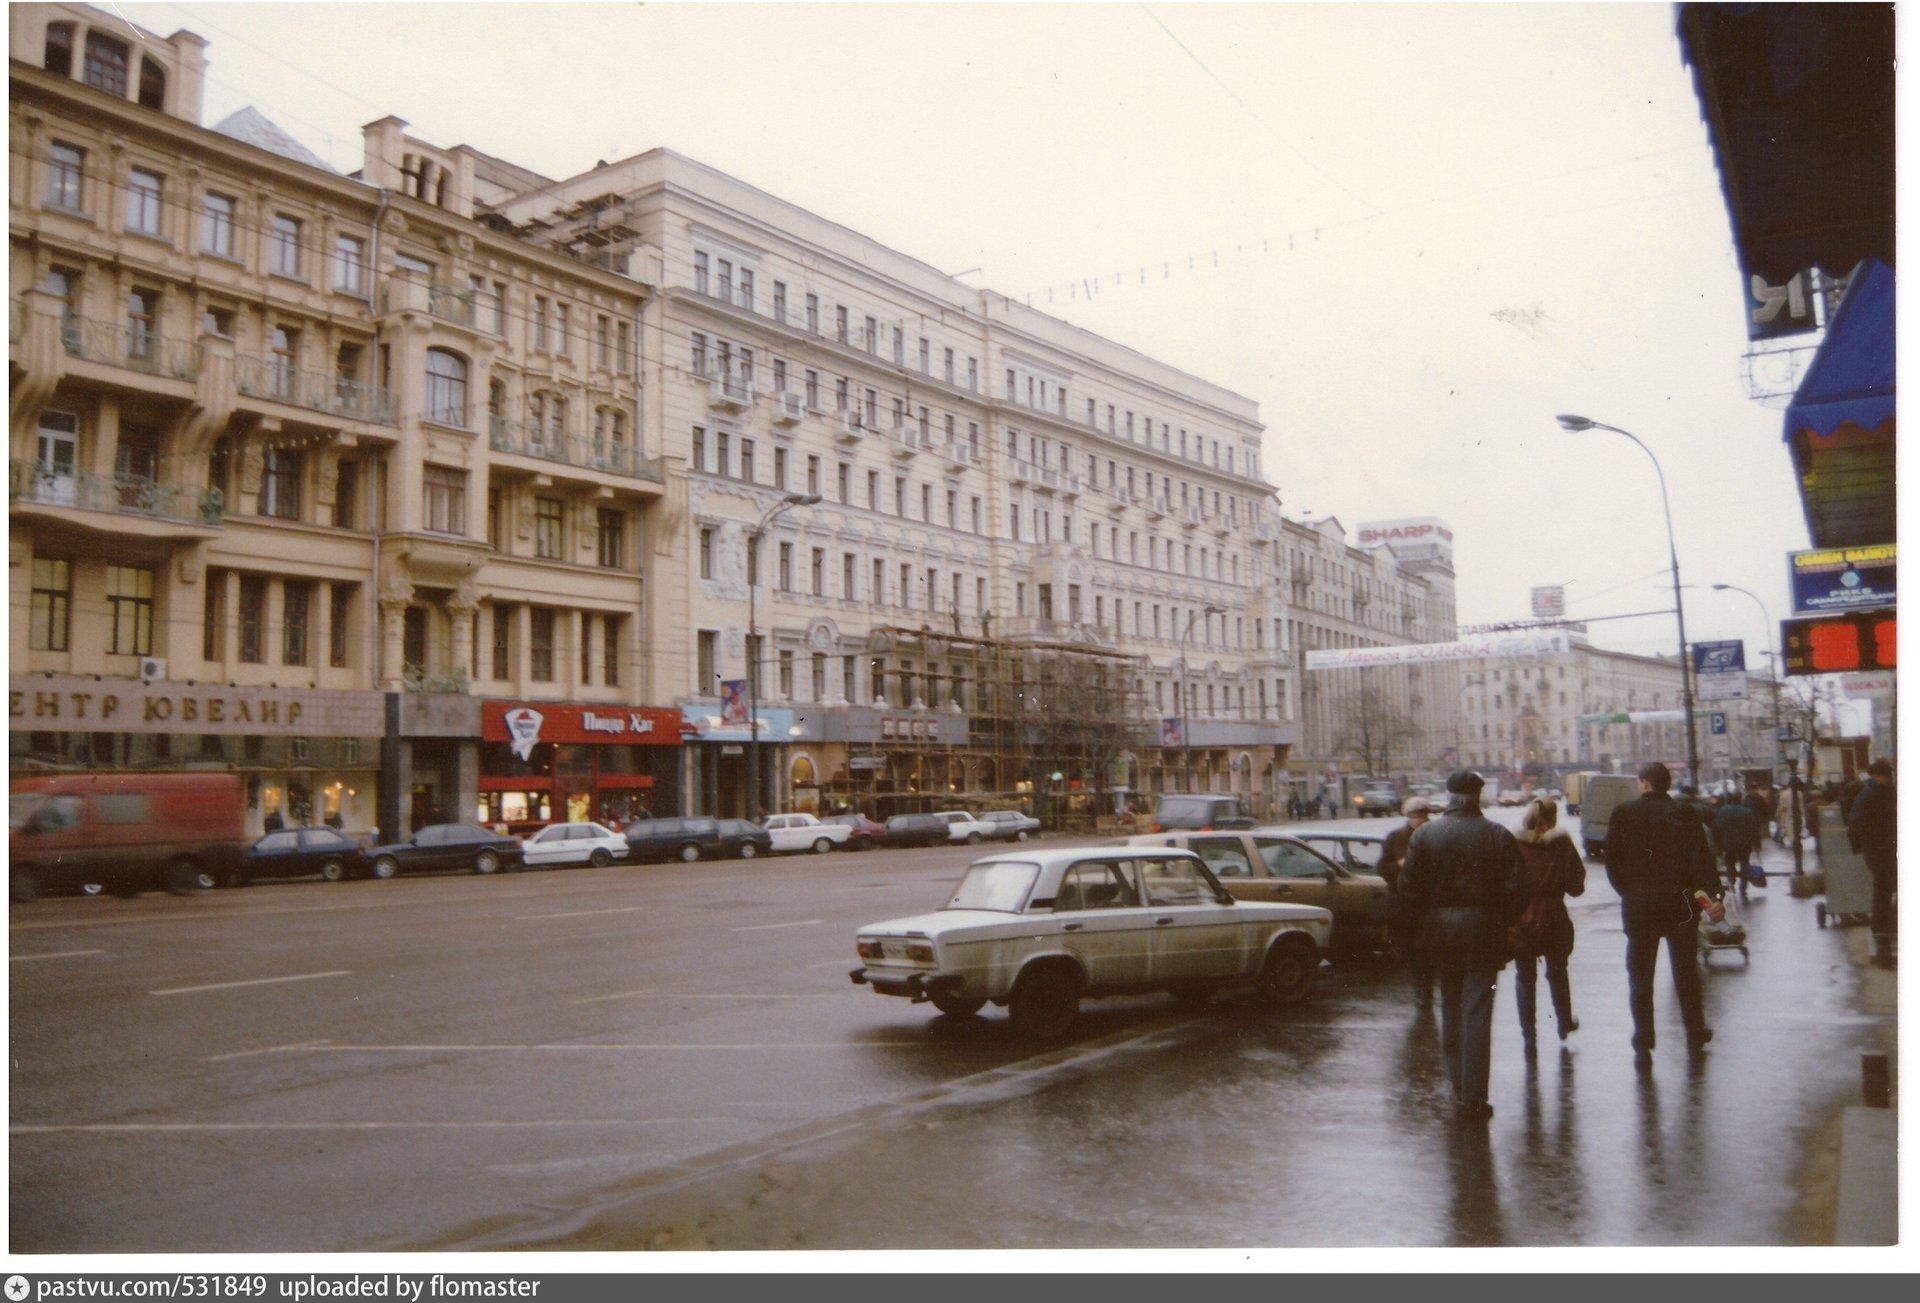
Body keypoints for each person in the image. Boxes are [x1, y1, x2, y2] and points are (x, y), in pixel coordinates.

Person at [1398, 771, 1527, 1124]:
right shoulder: (1496, 835)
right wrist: (1503, 919)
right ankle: (1474, 1096)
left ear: (1449, 794)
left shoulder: (1425, 835)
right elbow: (1518, 889)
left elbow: (1408, 889)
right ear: (1479, 795)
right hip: (1485, 933)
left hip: (1439, 933)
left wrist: (1421, 926)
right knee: (1478, 1011)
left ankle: (1457, 1084)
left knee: (1450, 1006)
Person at [1604, 761, 1722, 1065]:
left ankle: (1643, 1040)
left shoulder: (1624, 813)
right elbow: (1702, 859)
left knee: (1640, 976)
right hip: (1680, 903)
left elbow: (1612, 863)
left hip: (1640, 906)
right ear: (1666, 785)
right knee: (1685, 971)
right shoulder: (1684, 813)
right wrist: (1712, 895)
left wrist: (1628, 892)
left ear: (1644, 783)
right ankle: (1694, 1032)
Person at [1511, 796, 1586, 1051]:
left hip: (1522, 916)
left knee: (1525, 977)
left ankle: (1528, 1035)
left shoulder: (1514, 844)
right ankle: (1564, 1022)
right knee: (1557, 971)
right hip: (1554, 915)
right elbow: (1577, 885)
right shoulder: (1562, 843)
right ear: (1553, 819)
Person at [1381, 796, 1435, 1008]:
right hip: (1404, 902)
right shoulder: (1396, 837)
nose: (1417, 819)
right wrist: (1398, 865)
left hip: (1429, 902)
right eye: (1414, 815)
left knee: (1426, 949)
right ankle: (1420, 986)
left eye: (1421, 815)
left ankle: (1425, 989)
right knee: (1409, 948)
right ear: (1407, 816)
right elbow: (1383, 867)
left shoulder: (1436, 833)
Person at [1847, 759, 1896, 968]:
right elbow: (1857, 824)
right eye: (1890, 774)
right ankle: (1883, 940)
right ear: (1883, 775)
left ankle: (1883, 936)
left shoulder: (1869, 793)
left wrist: (1862, 848)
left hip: (1878, 851)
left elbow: (1855, 825)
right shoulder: (1875, 794)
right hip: (1882, 851)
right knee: (1883, 894)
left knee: (1883, 893)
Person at [1713, 792, 1762, 899]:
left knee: (1729, 862)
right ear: (1740, 799)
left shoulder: (1723, 811)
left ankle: (1731, 880)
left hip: (1728, 843)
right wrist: (1757, 844)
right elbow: (1754, 829)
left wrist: (1719, 845)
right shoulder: (1747, 811)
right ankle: (1743, 888)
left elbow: (1718, 828)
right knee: (1744, 864)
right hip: (1745, 844)